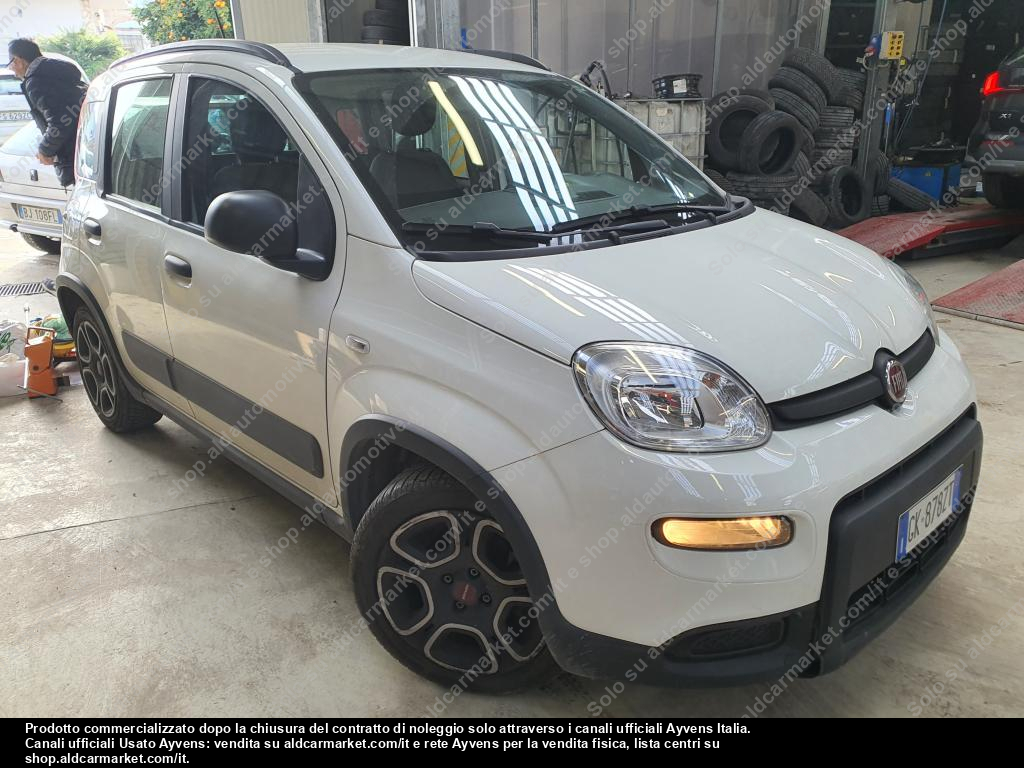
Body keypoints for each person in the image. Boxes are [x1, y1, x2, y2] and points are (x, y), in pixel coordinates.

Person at [7, 38, 88, 188]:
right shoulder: (57, 71)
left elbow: (59, 122)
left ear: (18, 61)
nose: (12, 70)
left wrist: (45, 150)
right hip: (87, 147)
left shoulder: (36, 82)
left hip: (73, 155)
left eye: (10, 64)